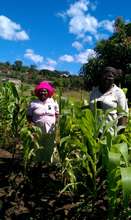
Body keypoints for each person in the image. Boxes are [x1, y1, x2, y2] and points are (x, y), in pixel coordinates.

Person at [89, 66, 128, 135]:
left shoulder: (118, 93)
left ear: (114, 78)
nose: (107, 78)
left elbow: (123, 116)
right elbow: (90, 110)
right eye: (105, 75)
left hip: (110, 134)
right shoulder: (94, 91)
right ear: (101, 76)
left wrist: (118, 136)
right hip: (93, 133)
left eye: (110, 76)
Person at [27, 81, 59, 162]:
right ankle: (36, 162)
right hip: (37, 129)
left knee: (50, 145)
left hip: (51, 129)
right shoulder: (34, 103)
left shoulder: (53, 102)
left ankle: (48, 162)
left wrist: (57, 125)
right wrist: (31, 126)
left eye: (45, 91)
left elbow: (57, 114)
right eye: (41, 91)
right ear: (38, 92)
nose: (43, 92)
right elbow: (29, 116)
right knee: (37, 145)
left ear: (48, 92)